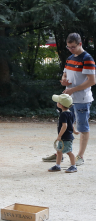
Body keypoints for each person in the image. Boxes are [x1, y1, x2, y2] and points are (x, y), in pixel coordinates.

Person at [43, 33, 96, 165]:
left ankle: (80, 156)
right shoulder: (70, 58)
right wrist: (64, 80)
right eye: (68, 47)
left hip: (82, 99)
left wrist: (72, 89)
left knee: (82, 128)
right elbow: (65, 74)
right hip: (68, 99)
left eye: (73, 47)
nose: (71, 49)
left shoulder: (87, 59)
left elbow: (92, 81)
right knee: (65, 126)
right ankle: (60, 153)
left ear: (80, 44)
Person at [48, 94, 78, 173]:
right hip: (67, 136)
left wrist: (59, 136)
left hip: (65, 137)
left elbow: (65, 126)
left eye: (57, 102)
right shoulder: (71, 113)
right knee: (59, 151)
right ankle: (57, 166)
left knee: (68, 152)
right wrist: (74, 131)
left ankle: (73, 166)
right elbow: (71, 124)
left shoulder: (63, 114)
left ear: (60, 105)